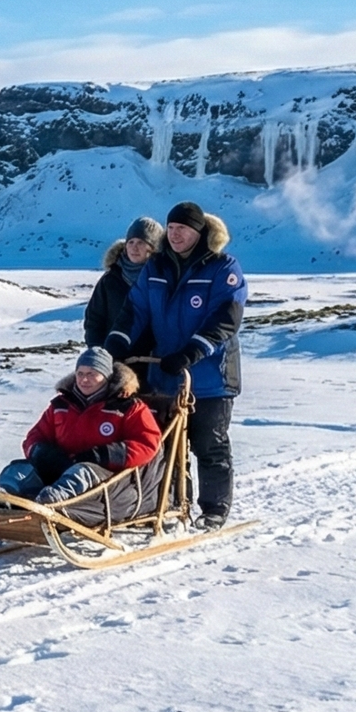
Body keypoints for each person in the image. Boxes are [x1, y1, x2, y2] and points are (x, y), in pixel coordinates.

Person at [106, 199, 246, 529]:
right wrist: (117, 342)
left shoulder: (223, 268)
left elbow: (226, 319)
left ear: (199, 232)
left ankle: (213, 510)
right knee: (167, 444)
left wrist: (192, 351)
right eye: (170, 229)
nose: (175, 235)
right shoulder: (156, 269)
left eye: (182, 229)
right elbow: (136, 310)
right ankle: (172, 504)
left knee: (208, 443)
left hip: (211, 375)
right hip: (167, 373)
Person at [0, 347, 163, 504]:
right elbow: (35, 436)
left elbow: (147, 443)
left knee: (81, 472)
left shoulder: (128, 407)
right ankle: (0, 495)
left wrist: (104, 454)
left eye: (92, 374)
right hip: (60, 466)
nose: (84, 379)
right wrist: (42, 453)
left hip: (103, 475)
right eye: (80, 373)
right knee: (20, 468)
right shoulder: (60, 405)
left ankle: (51, 502)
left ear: (107, 377)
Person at [84, 216, 162, 349]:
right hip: (115, 356)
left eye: (141, 243)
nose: (134, 248)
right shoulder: (111, 280)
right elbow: (94, 320)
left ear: (153, 248)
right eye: (131, 242)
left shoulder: (163, 279)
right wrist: (98, 351)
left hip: (155, 360)